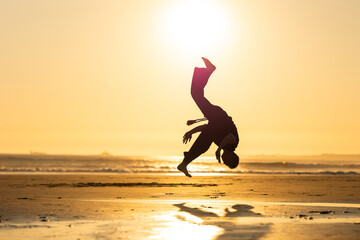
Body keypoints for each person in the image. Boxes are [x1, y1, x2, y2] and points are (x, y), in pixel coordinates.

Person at [177, 57, 239, 177]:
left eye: (226, 163)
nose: (225, 161)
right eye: (228, 162)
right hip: (219, 117)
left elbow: (207, 128)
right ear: (232, 157)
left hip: (216, 120)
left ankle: (185, 163)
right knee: (196, 94)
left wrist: (191, 131)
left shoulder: (221, 142)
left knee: (196, 94)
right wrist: (219, 148)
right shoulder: (233, 144)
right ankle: (209, 70)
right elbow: (230, 136)